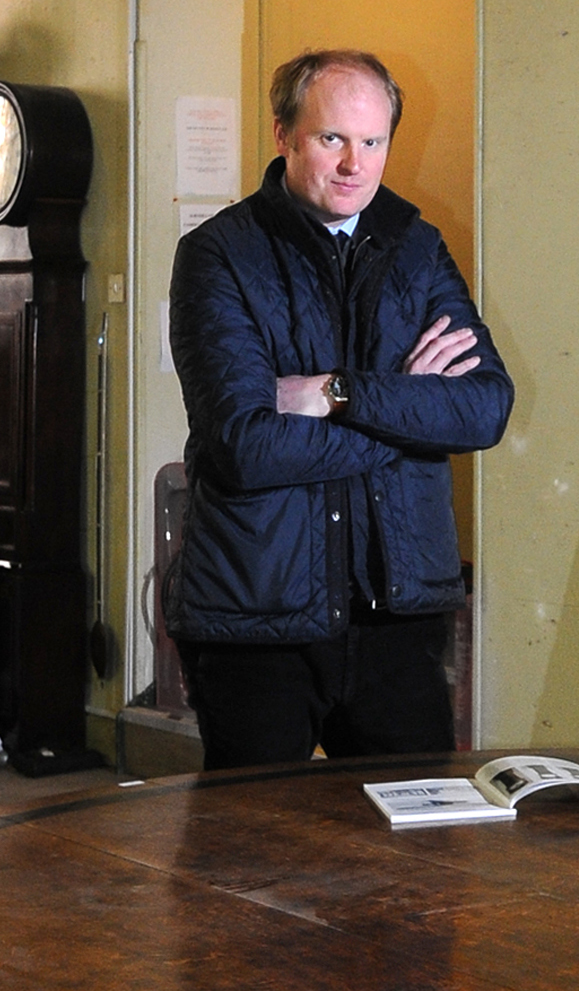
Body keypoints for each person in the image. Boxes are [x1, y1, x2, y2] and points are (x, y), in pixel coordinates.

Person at [165, 49, 512, 768]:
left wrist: (338, 393)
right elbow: (246, 446)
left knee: (417, 864)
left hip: (399, 621)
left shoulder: (417, 248)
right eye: (332, 139)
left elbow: (483, 410)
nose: (355, 164)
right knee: (255, 866)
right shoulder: (217, 255)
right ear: (284, 134)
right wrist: (409, 417)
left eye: (373, 142)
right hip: (256, 623)